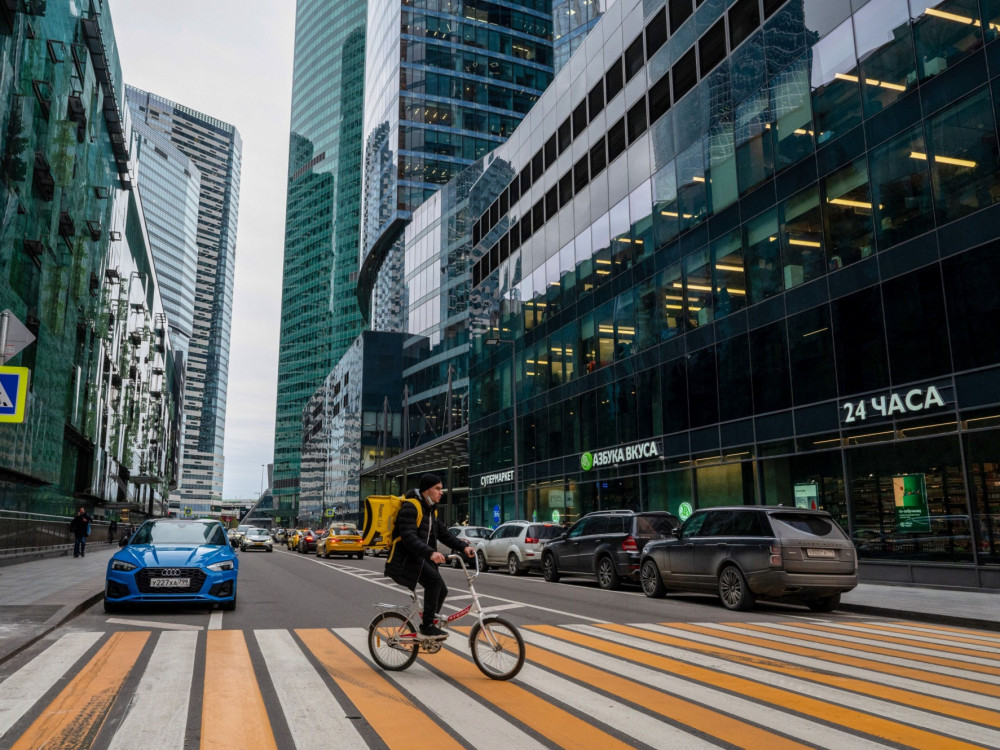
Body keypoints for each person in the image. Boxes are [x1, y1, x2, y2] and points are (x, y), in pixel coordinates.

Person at [385, 474, 474, 640]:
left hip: (420, 558)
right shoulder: (411, 507)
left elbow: (445, 535)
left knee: (442, 589)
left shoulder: (431, 511)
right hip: (406, 559)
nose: (441, 492)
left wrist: (464, 547)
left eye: (441, 489)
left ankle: (429, 624)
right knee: (434, 583)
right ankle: (427, 627)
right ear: (426, 491)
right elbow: (408, 537)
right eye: (438, 489)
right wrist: (431, 552)